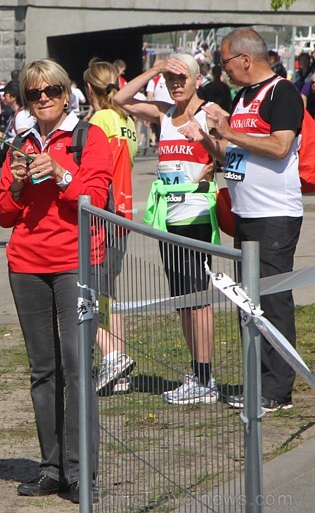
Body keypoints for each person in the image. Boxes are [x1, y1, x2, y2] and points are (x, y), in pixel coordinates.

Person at [0, 58, 112, 504]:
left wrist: (59, 172)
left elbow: (94, 197)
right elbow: (5, 215)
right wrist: (20, 186)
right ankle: (52, 467)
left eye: (52, 91)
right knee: (43, 372)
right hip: (26, 263)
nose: (43, 99)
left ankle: (82, 472)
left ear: (67, 94)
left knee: (78, 368)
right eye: (33, 94)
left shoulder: (88, 136)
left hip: (75, 262)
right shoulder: (19, 144)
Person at [187, 28, 304, 412]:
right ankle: (257, 381)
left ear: (244, 59)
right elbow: (232, 151)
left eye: (224, 63)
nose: (222, 72)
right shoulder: (242, 97)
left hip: (275, 215)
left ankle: (277, 389)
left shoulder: (281, 92)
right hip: (245, 215)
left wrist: (229, 131)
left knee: (271, 300)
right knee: (247, 301)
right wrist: (207, 141)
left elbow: (279, 146)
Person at [115, 53, 220, 406]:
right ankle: (197, 372)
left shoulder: (209, 112)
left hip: (196, 216)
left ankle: (206, 378)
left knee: (198, 299)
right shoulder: (164, 113)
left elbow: (228, 150)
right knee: (182, 301)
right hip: (168, 218)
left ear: (196, 80)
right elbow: (120, 100)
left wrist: (211, 156)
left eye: (182, 79)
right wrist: (155, 70)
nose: (176, 85)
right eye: (171, 80)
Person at [83, 59, 138, 396]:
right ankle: (118, 369)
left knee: (88, 293)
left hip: (102, 216)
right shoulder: (125, 118)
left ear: (89, 88)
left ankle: (113, 356)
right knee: (108, 294)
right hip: (122, 214)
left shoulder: (100, 120)